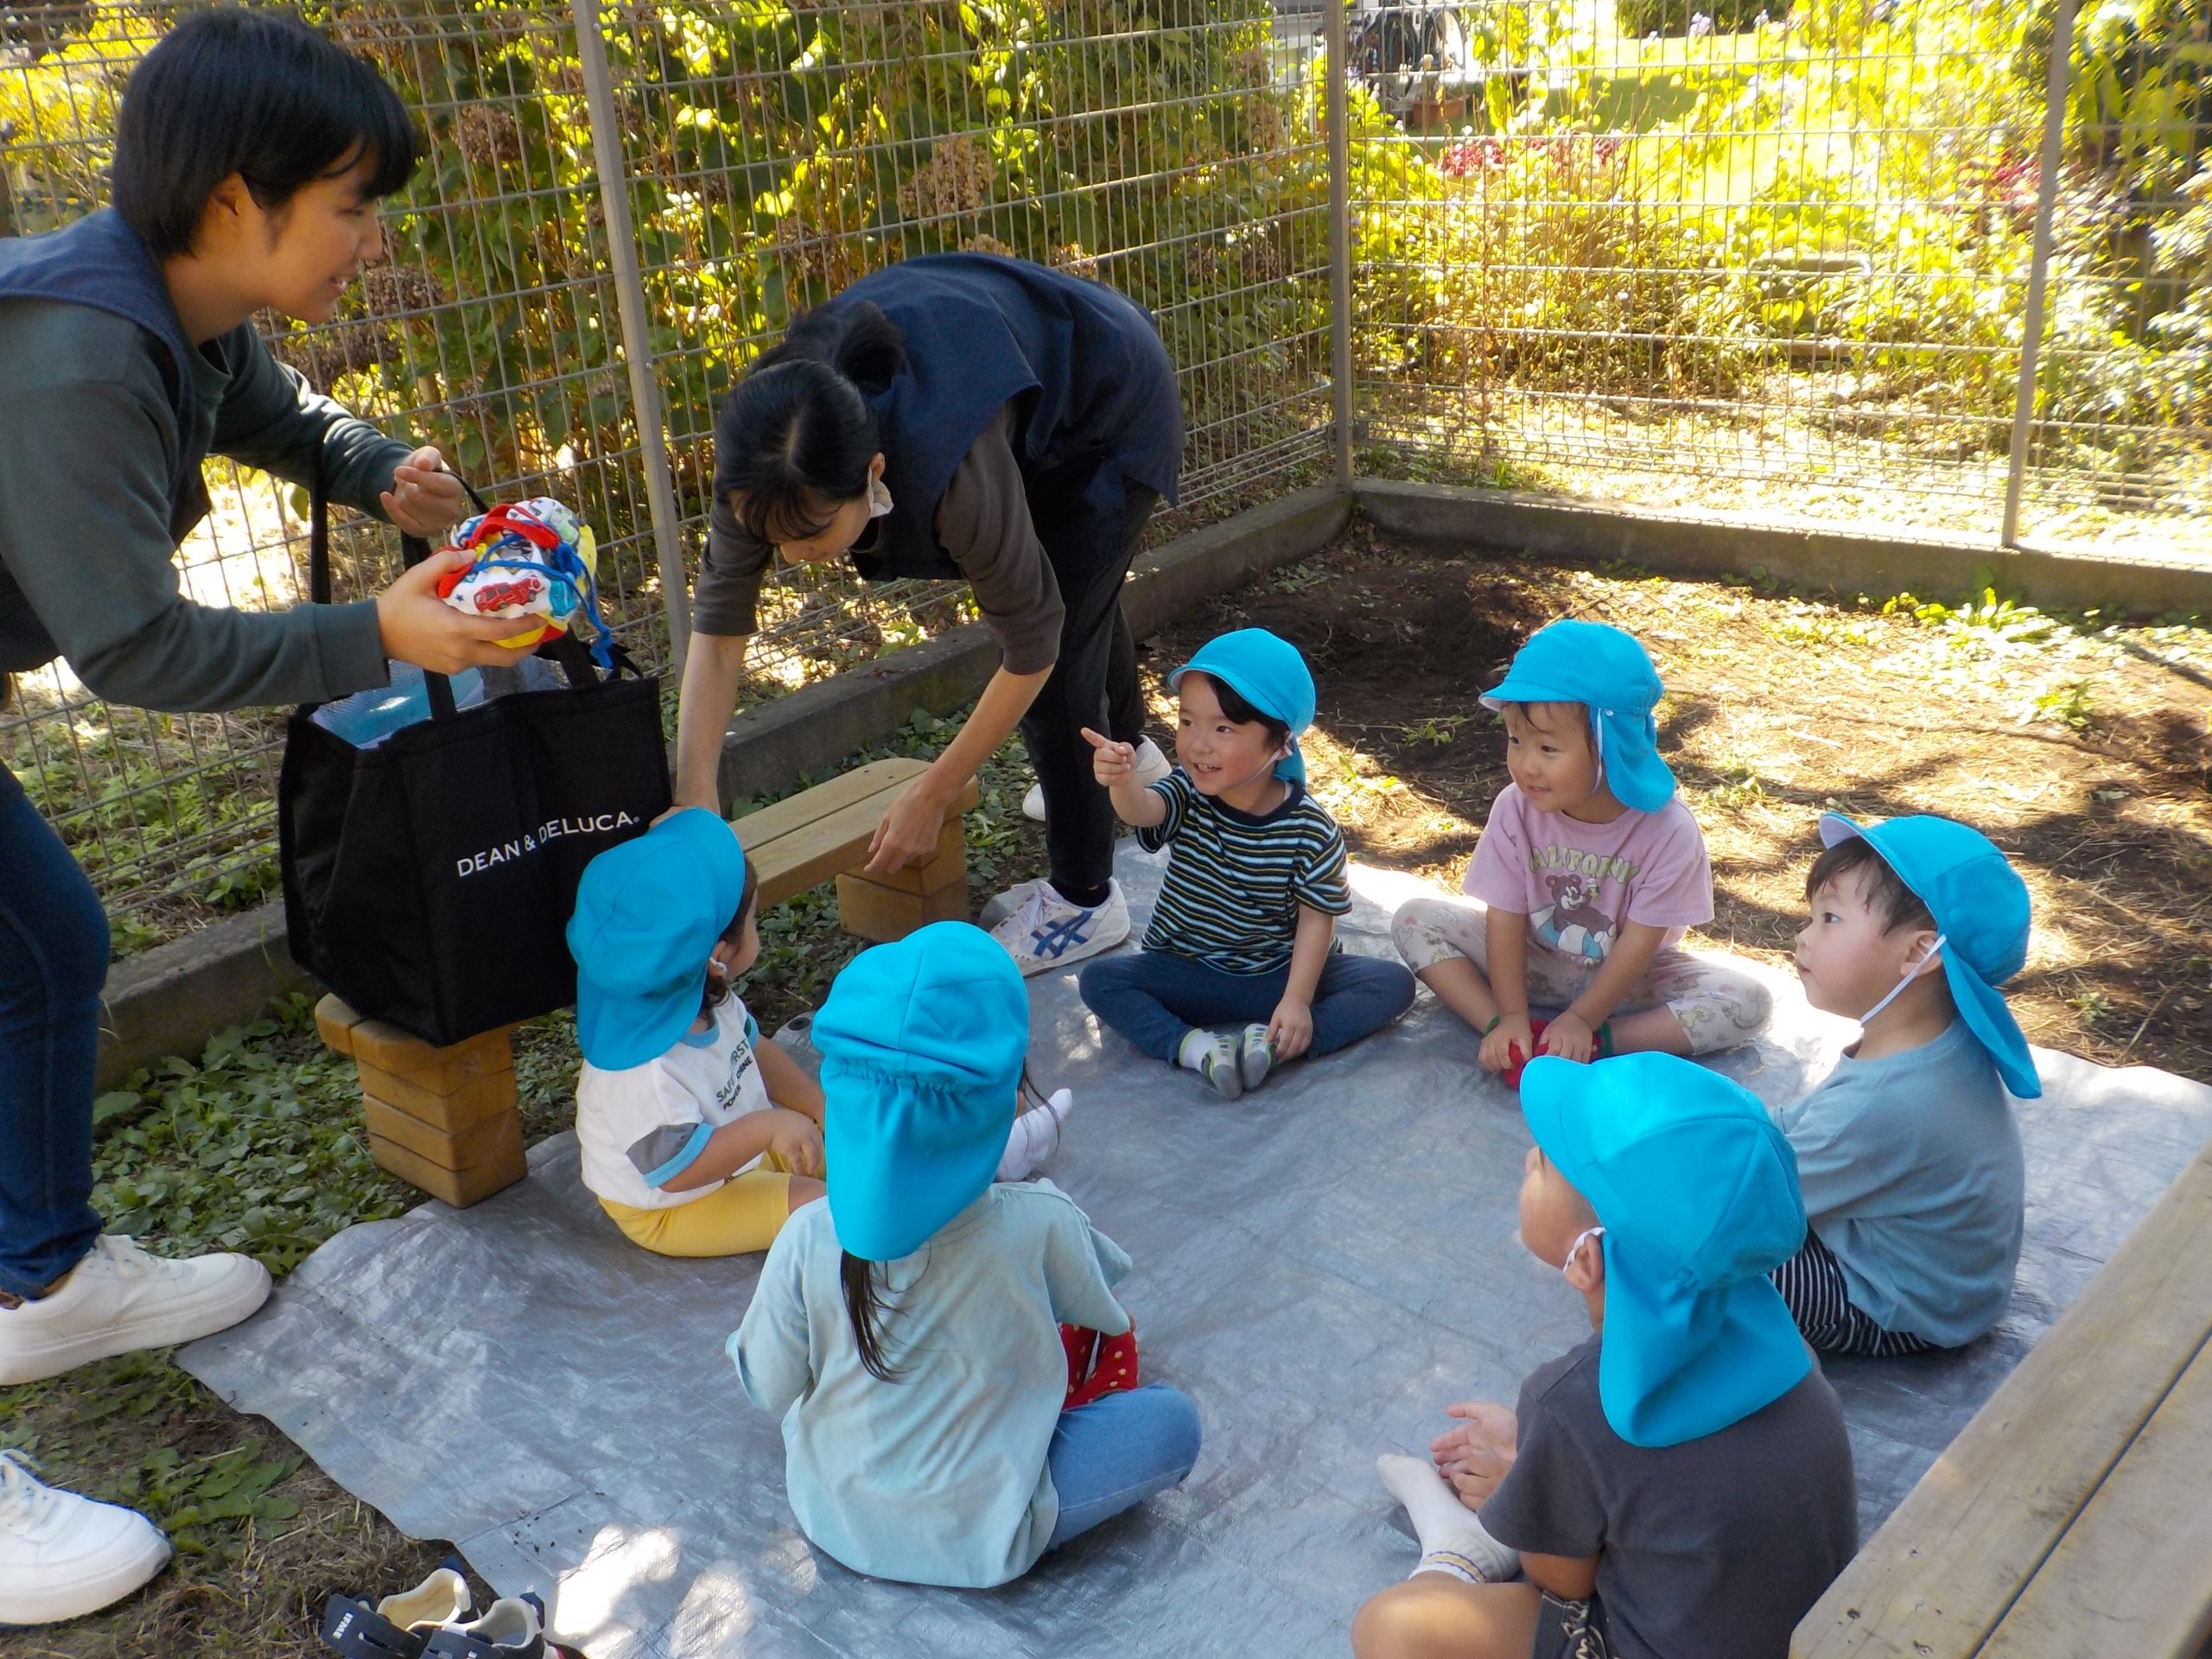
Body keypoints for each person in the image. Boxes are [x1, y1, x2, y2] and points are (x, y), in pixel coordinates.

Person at [0, 9, 535, 1624]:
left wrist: (376, 467)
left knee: (44, 953)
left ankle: (47, 1278)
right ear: (240, 199)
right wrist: (383, 630)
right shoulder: (82, 350)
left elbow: (269, 411)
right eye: (352, 204)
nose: (371, 240)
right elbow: (136, 643)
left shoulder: (173, 302)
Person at [676, 253, 1185, 976]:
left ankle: (1085, 901)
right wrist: (698, 810)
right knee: (1077, 603)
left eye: (812, 535)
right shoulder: (768, 457)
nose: (788, 557)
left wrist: (933, 791)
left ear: (875, 475)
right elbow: (719, 636)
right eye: (771, 538)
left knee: (1064, 641)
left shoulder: (951, 465)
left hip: (1111, 397)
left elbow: (1033, 644)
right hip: (1022, 373)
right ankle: (1134, 759)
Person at [732, 922, 1201, 1588]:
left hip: (836, 1515)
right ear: (1010, 1104)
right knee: (1171, 1425)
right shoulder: (1042, 1221)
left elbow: (767, 1385)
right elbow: (1106, 1313)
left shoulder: (807, 1235)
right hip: (991, 1530)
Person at [1355, 1052, 1858, 1659]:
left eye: (1541, 1164)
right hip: (1813, 1635)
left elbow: (1562, 1580)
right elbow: (1674, 1481)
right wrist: (1543, 1460)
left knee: (1391, 1628)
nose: (1528, 1159)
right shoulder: (1788, 1347)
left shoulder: (1568, 1401)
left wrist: (1524, 1479)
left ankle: (1458, 1553)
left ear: (1588, 1259)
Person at [1389, 620, 1770, 1085]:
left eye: (1548, 747)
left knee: (1749, 1002)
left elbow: (1640, 943)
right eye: (1514, 739)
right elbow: (1504, 916)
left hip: (1628, 979)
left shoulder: (1668, 830)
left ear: (1613, 747)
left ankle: (1596, 1045)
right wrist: (1507, 1017)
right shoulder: (1515, 807)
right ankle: (1514, 1033)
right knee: (1412, 918)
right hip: (1534, 961)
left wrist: (1584, 1022)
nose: (1525, 764)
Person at [1077, 628, 1414, 1098]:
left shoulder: (1310, 829)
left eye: (1223, 729)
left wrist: (1297, 1000)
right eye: (1188, 721)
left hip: (1277, 974)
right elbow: (1143, 812)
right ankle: (1196, 1048)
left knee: (1392, 984)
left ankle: (1279, 1043)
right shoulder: (1187, 791)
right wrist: (1121, 780)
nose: (1198, 745)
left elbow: (1318, 920)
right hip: (1187, 968)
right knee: (1099, 980)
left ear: (1280, 745)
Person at [1771, 813, 2037, 1356]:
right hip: (1952, 1284)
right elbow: (1795, 1130)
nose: (1803, 935)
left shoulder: (1884, 1102)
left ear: (1918, 955)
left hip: (1902, 1305)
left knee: (1674, 1257)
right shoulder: (1931, 1038)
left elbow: (1752, 1200)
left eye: (1829, 918)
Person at [567, 811, 828, 1255]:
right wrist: (768, 1127)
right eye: (754, 921)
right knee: (824, 1211)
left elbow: (750, 1049)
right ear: (719, 954)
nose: (757, 930)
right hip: (678, 1204)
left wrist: (819, 1106)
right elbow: (674, 1171)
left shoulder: (704, 994)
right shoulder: (642, 1072)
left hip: (740, 1154)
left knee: (862, 1149)